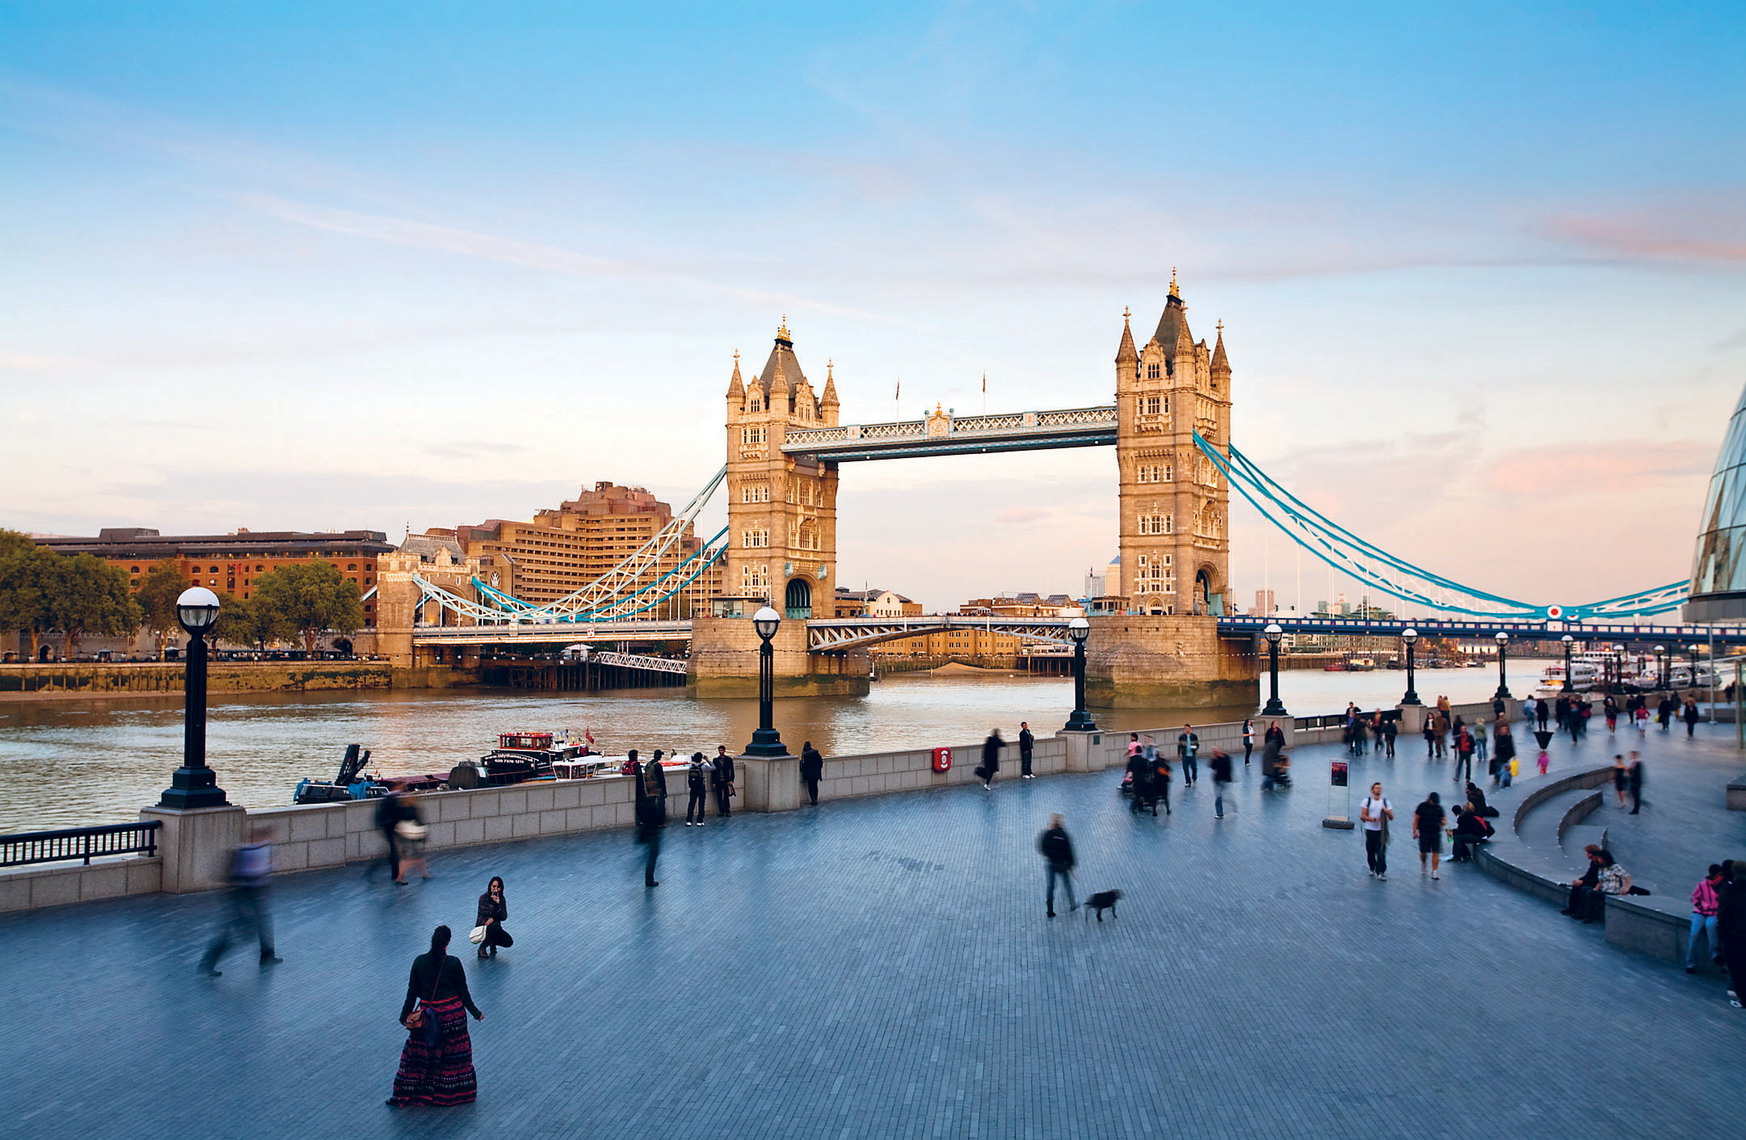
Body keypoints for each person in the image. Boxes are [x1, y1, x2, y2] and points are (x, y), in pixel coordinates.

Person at [389, 925, 483, 1108]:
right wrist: (475, 1013)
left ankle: (416, 1091)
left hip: (427, 1017)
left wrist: (404, 1016)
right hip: (452, 1017)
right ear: (447, 942)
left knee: (421, 1055)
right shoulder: (454, 963)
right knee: (452, 1056)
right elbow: (463, 993)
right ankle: (453, 1092)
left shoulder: (419, 962)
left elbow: (412, 993)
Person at [199, 824, 281, 977]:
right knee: (242, 931)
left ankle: (267, 955)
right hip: (242, 894)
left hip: (251, 893)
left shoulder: (265, 848)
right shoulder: (244, 851)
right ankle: (207, 965)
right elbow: (237, 873)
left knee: (261, 924)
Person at [633, 749, 664, 888]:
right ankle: (649, 880)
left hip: (645, 832)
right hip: (653, 833)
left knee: (648, 856)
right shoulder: (658, 766)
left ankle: (648, 878)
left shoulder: (648, 765)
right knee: (652, 857)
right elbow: (658, 817)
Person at [1717, 861, 1746, 1008]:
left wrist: (1721, 932)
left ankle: (1743, 999)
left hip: (1734, 936)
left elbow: (1723, 913)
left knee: (1737, 968)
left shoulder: (1729, 890)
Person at [1686, 864, 1724, 974]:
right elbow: (1694, 898)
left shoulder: (1721, 886)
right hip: (1700, 913)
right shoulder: (1702, 885)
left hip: (1713, 913)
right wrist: (1701, 906)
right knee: (1694, 934)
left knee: (1711, 927)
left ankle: (1715, 954)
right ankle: (1690, 963)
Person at [1038, 813, 1076, 918]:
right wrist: (1071, 864)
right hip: (1062, 864)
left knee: (1050, 886)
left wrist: (1048, 855)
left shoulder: (1048, 834)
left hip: (1051, 863)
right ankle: (1072, 904)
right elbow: (1068, 850)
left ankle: (1050, 910)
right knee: (1067, 884)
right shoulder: (1063, 835)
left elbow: (1041, 846)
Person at [1360, 782, 1393, 880]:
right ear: (1372, 790)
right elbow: (1363, 815)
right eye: (1376, 788)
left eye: (1380, 788)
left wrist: (1387, 812)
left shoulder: (1386, 802)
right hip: (1370, 830)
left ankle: (1381, 871)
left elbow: (1391, 817)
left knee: (1381, 851)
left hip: (1381, 831)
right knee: (1370, 851)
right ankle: (1372, 866)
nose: (1378, 790)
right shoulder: (1367, 801)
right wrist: (1374, 819)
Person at [373, 786, 407, 883]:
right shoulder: (391, 800)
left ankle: (395, 874)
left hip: (390, 828)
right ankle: (397, 876)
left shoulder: (389, 799)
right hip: (391, 828)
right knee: (396, 853)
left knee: (394, 852)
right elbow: (393, 814)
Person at [394, 793, 430, 884]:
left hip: (403, 835)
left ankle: (423, 873)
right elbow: (419, 822)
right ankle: (400, 877)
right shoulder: (412, 809)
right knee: (413, 857)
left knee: (413, 857)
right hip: (411, 836)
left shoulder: (401, 808)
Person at [1562, 845, 1605, 919]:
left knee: (1584, 889)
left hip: (1599, 884)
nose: (1586, 855)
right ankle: (1572, 909)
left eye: (1587, 853)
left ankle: (1581, 913)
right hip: (1593, 881)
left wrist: (1582, 882)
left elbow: (1598, 879)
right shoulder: (1593, 862)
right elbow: (1589, 874)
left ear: (1591, 854)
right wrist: (1580, 880)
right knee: (1576, 887)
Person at [474, 876, 511, 960]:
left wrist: (498, 904)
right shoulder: (483, 898)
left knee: (508, 941)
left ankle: (492, 942)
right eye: (494, 886)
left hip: (495, 926)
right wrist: (495, 905)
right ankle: (482, 947)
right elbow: (487, 913)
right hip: (483, 925)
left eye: (498, 887)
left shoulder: (501, 899)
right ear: (490, 886)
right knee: (494, 927)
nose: (495, 889)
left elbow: (504, 916)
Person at [1413, 792, 1446, 879]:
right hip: (1424, 832)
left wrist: (1443, 822)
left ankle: (1434, 871)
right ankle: (1423, 863)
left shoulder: (1439, 808)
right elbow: (1416, 819)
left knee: (1436, 852)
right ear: (1430, 799)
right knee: (1423, 852)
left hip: (1435, 833)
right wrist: (1415, 831)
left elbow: (1444, 819)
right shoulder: (1422, 806)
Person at [1126, 745, 1153, 816]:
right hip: (1141, 779)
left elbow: (1129, 768)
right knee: (1139, 794)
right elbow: (1146, 770)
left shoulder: (1132, 759)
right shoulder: (1143, 760)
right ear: (1141, 751)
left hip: (1135, 778)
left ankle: (1139, 807)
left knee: (1137, 792)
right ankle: (1133, 807)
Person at [685, 752, 710, 825]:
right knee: (701, 804)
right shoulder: (704, 766)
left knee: (691, 803)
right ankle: (700, 820)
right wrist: (707, 760)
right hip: (701, 787)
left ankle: (689, 820)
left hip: (693, 788)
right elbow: (713, 767)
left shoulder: (691, 766)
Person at [1209, 748, 1233, 819]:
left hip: (1222, 779)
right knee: (1220, 796)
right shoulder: (1225, 758)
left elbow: (1213, 767)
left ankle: (1220, 812)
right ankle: (1220, 812)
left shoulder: (1223, 758)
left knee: (1220, 796)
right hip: (1221, 780)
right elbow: (1213, 767)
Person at [711, 745, 735, 817]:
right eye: (719, 750)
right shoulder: (715, 760)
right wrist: (713, 782)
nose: (720, 752)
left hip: (726, 781)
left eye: (721, 750)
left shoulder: (729, 760)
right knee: (719, 796)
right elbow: (713, 772)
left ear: (724, 751)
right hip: (718, 781)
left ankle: (727, 810)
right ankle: (721, 811)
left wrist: (731, 780)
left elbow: (732, 770)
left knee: (726, 796)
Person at [799, 741, 824, 805]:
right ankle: (815, 799)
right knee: (815, 786)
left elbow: (803, 764)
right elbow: (820, 762)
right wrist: (818, 769)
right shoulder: (816, 753)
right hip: (816, 773)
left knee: (810, 786)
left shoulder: (805, 755)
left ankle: (813, 800)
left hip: (809, 774)